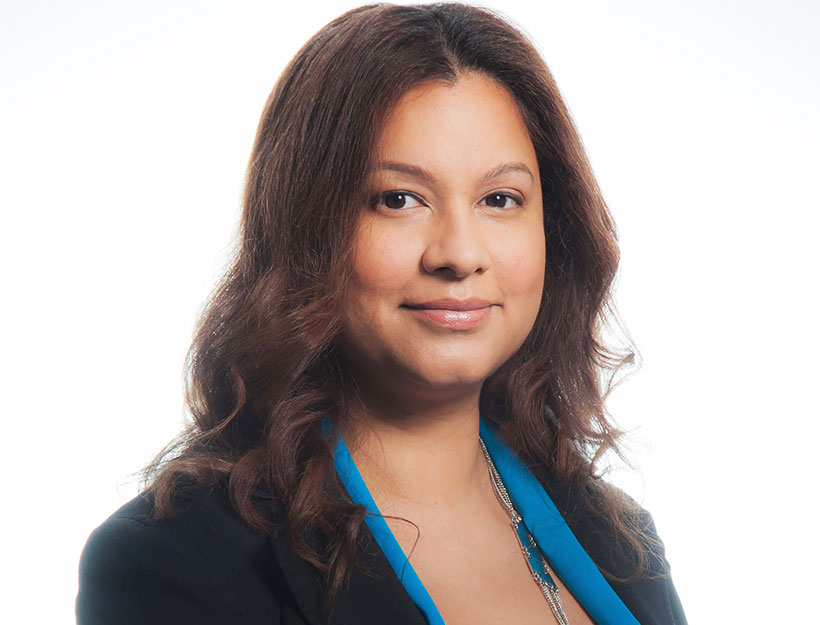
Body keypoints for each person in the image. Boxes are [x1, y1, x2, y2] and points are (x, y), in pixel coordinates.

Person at [76, 3, 687, 624]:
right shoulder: (173, 562)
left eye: (500, 199)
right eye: (399, 199)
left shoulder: (619, 537)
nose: (460, 254)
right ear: (306, 229)